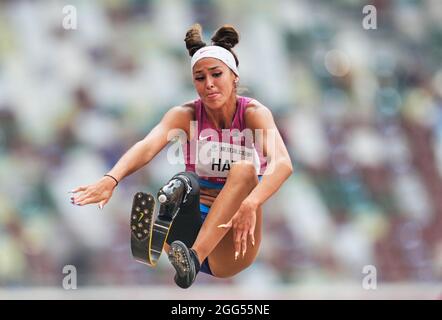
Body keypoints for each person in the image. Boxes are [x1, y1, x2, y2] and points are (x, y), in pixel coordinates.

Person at [70, 24, 293, 289]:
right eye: (199, 78)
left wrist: (251, 203)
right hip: (190, 233)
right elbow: (147, 145)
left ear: (234, 77)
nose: (208, 84)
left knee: (244, 170)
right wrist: (111, 179)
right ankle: (168, 241)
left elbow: (282, 163)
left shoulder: (253, 113)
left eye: (216, 74)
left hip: (232, 245)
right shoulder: (185, 114)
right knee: (183, 181)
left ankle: (190, 255)